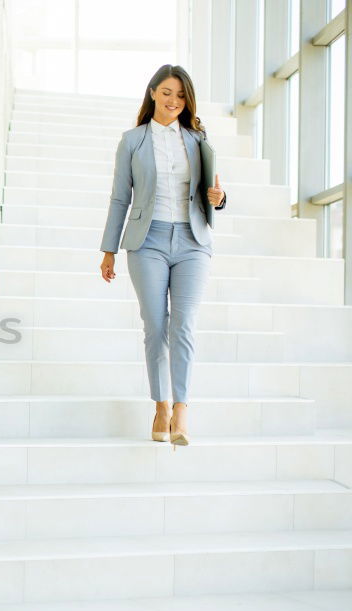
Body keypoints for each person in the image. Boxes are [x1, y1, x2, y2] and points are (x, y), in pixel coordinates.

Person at [98, 64, 227, 451]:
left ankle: (182, 410)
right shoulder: (132, 141)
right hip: (147, 240)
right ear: (153, 92)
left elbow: (212, 191)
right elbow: (121, 196)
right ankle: (161, 406)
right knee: (155, 325)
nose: (174, 101)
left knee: (183, 325)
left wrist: (219, 200)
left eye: (181, 95)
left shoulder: (197, 139)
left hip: (192, 242)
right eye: (167, 92)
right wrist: (108, 249)